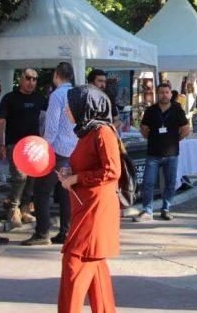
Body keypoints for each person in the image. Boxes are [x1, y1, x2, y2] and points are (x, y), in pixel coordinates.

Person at [57, 84, 120, 313]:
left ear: (85, 107)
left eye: (70, 106)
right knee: (94, 267)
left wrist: (76, 178)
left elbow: (112, 171)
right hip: (86, 206)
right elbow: (86, 165)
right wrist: (69, 174)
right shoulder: (87, 132)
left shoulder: (102, 132)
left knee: (75, 262)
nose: (66, 110)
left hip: (96, 208)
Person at [24, 62, 77, 246]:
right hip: (73, 148)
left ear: (56, 74)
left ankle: (42, 232)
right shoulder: (76, 93)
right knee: (65, 191)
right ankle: (66, 231)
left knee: (41, 190)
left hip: (58, 149)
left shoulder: (57, 95)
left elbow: (52, 125)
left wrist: (44, 147)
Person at [0, 68, 48, 228]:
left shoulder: (40, 98)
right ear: (20, 79)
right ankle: (13, 208)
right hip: (14, 144)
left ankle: (25, 207)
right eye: (28, 78)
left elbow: (50, 117)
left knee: (31, 177)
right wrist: (0, 144)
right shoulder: (9, 98)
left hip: (34, 145)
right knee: (19, 177)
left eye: (34, 79)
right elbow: (0, 121)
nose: (31, 82)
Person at [133, 83, 190, 222]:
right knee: (148, 182)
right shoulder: (151, 110)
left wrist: (175, 140)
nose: (164, 94)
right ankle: (147, 211)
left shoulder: (177, 109)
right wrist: (153, 139)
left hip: (171, 154)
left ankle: (166, 209)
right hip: (154, 153)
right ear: (157, 94)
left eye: (166, 92)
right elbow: (144, 129)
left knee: (170, 183)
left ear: (171, 94)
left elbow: (185, 128)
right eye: (161, 92)